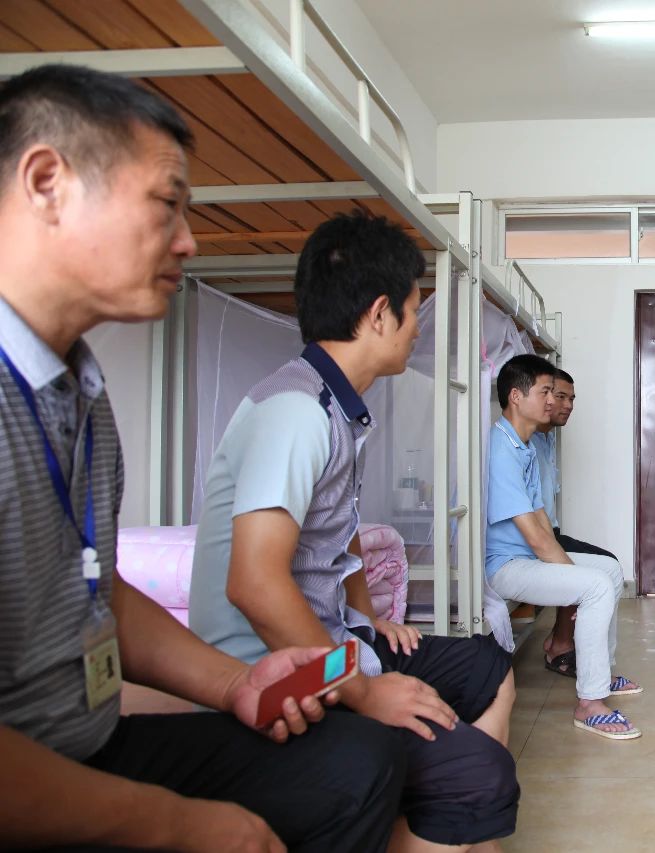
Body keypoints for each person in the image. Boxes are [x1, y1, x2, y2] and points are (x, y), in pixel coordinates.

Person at [0, 64, 406, 852]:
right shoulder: (297, 410)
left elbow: (99, 595)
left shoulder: (80, 393)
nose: (188, 239)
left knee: (357, 761)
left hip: (89, 739)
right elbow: (255, 579)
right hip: (27, 771)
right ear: (47, 182)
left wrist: (236, 684)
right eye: (167, 205)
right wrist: (177, 823)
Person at [189, 211, 520, 851]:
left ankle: (436, 806)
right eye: (415, 311)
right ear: (379, 314)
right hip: (273, 669)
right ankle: (442, 796)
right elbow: (254, 584)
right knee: (477, 775)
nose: (418, 328)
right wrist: (365, 693)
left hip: (335, 641)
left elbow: (337, 536)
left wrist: (369, 620)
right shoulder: (296, 412)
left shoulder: (339, 408)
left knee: (486, 666)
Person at [486, 354, 643, 739]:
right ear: (516, 397)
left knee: (608, 570)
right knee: (594, 585)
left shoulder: (522, 447)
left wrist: (572, 579)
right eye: (545, 392)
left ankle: (600, 673)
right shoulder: (500, 449)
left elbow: (542, 520)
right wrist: (574, 585)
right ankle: (590, 703)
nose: (552, 401)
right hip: (504, 566)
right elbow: (537, 539)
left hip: (525, 557)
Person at [528, 367, 621, 677]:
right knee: (596, 568)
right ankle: (562, 646)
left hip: (549, 530)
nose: (567, 405)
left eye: (572, 399)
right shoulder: (524, 443)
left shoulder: (547, 438)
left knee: (605, 563)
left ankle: (562, 640)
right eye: (559, 396)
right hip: (534, 535)